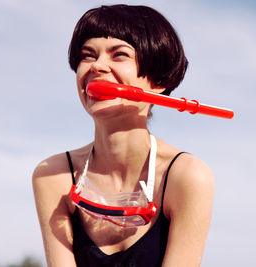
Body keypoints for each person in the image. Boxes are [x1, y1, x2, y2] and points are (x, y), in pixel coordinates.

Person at [32, 4, 214, 267]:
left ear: (157, 81)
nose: (97, 66)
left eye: (119, 55)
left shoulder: (187, 176)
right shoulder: (53, 175)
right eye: (87, 55)